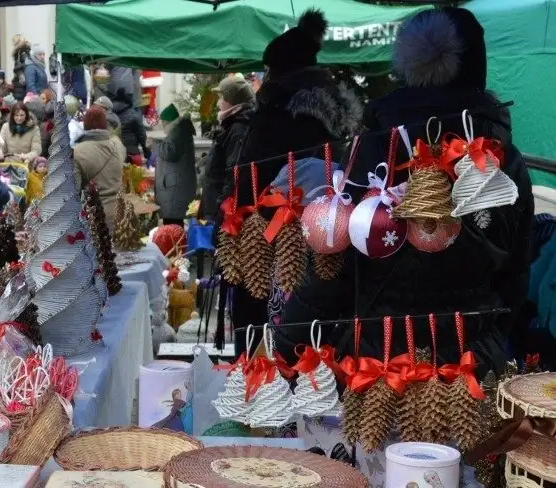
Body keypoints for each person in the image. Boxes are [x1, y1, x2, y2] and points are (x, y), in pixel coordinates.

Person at [277, 8, 533, 375]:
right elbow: (517, 269)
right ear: (478, 66)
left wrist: (287, 343)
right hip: (471, 361)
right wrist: (490, 332)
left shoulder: (380, 143)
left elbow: (335, 259)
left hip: (379, 362)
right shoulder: (501, 154)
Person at [230, 10, 362, 356]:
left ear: (280, 71)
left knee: (270, 340)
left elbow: (250, 186)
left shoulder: (279, 116)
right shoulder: (327, 119)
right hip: (322, 241)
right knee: (306, 341)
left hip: (276, 240)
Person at [200, 76, 255, 220]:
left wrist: (221, 210)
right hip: (218, 203)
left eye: (221, 98)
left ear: (231, 101)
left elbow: (233, 173)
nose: (218, 103)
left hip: (225, 211)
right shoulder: (232, 124)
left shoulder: (238, 129)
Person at [73, 106, 126, 229]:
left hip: (94, 218)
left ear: (85, 125)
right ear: (104, 124)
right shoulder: (117, 145)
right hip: (120, 213)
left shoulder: (77, 152)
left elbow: (72, 192)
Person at [154, 104, 197, 227]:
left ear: (167, 122)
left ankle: (174, 246)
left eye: (163, 123)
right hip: (174, 188)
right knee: (174, 225)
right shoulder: (180, 130)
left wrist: (154, 145)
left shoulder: (178, 132)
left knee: (173, 227)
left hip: (174, 191)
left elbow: (169, 152)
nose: (162, 126)